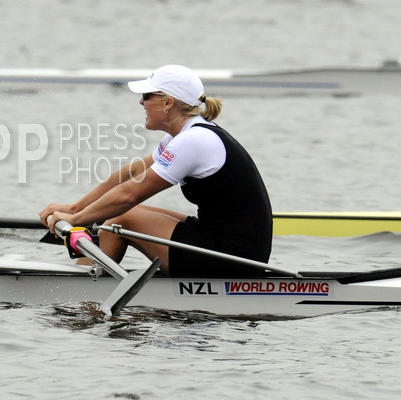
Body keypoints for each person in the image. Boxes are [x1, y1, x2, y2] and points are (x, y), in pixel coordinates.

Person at [40, 64, 272, 277]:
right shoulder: (182, 136)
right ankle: (91, 280)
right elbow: (130, 174)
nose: (141, 103)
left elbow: (129, 194)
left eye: (146, 96)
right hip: (225, 243)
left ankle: (82, 294)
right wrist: (76, 208)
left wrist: (76, 219)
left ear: (167, 102)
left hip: (236, 258)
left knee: (120, 218)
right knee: (111, 215)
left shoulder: (194, 140)